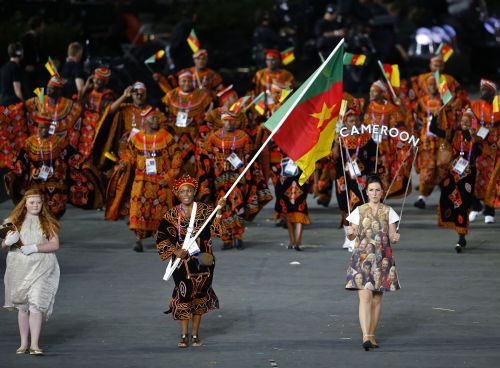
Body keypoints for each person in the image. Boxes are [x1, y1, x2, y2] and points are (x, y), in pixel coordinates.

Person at [155, 175, 226, 348]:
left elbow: (218, 232)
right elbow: (161, 237)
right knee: (184, 293)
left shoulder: (205, 211)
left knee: (200, 295)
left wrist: (219, 212)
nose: (186, 193)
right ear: (178, 194)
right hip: (181, 262)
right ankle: (184, 334)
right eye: (182, 191)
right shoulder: (171, 215)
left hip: (203, 261)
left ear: (195, 192)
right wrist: (175, 251)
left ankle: (195, 334)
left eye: (189, 190)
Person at [106, 107, 182, 251]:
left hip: (161, 180)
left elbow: (177, 158)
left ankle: (159, 238)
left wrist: (169, 176)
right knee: (138, 209)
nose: (156, 120)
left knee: (160, 210)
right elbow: (129, 155)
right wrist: (124, 162)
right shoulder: (136, 138)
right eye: (152, 118)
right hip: (141, 181)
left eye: (156, 117)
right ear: (145, 120)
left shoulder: (167, 137)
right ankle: (138, 240)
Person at [345, 174, 401, 350]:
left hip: (383, 257)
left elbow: (392, 234)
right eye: (371, 190)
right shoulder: (359, 211)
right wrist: (351, 232)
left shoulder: (389, 211)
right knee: (365, 295)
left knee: (377, 299)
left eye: (377, 190)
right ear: (366, 192)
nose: (374, 193)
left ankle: (371, 334)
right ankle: (365, 336)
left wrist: (395, 237)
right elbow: (350, 235)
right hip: (361, 258)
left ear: (382, 192)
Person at [2, 188, 60, 356]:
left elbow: (54, 245)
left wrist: (35, 247)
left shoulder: (48, 222)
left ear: (43, 204)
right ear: (25, 204)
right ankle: (23, 343)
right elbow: (2, 246)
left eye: (39, 202)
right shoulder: (13, 221)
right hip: (19, 269)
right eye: (32, 202)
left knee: (36, 304)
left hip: (42, 267)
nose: (35, 205)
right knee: (23, 306)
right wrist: (6, 242)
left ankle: (34, 344)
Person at [430, 109, 482, 252]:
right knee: (451, 200)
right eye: (462, 120)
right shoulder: (453, 134)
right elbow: (433, 129)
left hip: (468, 176)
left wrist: (475, 140)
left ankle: (461, 237)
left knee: (463, 204)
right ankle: (461, 229)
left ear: (472, 123)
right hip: (453, 174)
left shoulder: (476, 139)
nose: (464, 123)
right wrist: (435, 117)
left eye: (467, 121)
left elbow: (477, 155)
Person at [5, 118, 72, 218]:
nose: (44, 130)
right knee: (35, 205)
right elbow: (23, 160)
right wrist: (16, 171)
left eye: (46, 128)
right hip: (35, 178)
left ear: (50, 128)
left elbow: (68, 157)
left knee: (54, 208)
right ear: (36, 128)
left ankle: (52, 224)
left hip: (54, 177)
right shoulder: (29, 142)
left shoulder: (58, 142)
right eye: (41, 128)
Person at [333, 106, 376, 251]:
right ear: (346, 122)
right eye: (350, 121)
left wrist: (374, 174)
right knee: (345, 209)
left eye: (356, 120)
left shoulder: (365, 138)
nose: (354, 123)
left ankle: (355, 239)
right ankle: (347, 237)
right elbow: (334, 157)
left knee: (357, 209)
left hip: (360, 179)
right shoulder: (340, 137)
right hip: (343, 178)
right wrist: (336, 139)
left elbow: (373, 156)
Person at [162, 70, 212, 175]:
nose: (186, 83)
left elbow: (208, 113)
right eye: (183, 81)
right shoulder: (172, 95)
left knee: (193, 161)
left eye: (189, 81)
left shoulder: (200, 94)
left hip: (194, 133)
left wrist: (196, 120)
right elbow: (166, 115)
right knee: (176, 159)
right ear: (179, 82)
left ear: (193, 82)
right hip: (177, 134)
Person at [468, 79, 499, 224]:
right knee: (471, 177)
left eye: (485, 90)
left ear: (492, 92)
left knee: (491, 181)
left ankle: (489, 210)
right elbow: (467, 122)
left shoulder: (498, 105)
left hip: (495, 149)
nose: (482, 92)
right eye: (481, 89)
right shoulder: (474, 105)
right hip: (477, 147)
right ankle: (475, 207)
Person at [274, 157, 310, 251]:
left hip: (297, 186)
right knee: (291, 216)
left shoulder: (303, 155)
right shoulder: (285, 157)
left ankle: (296, 242)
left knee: (298, 215)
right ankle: (294, 241)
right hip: (289, 187)